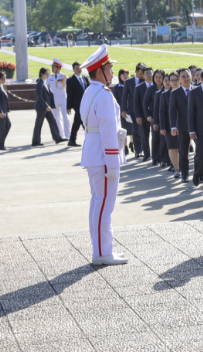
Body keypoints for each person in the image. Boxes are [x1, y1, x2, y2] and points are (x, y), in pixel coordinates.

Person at [78, 45, 128, 266]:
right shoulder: (104, 94)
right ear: (100, 70)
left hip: (93, 154)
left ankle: (101, 249)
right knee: (104, 207)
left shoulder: (90, 91)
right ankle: (102, 252)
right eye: (109, 67)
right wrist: (112, 164)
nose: (112, 71)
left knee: (98, 204)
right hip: (102, 157)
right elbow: (108, 132)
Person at [169, 69, 194, 183]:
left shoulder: (197, 90)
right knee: (183, 152)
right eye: (183, 76)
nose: (186, 78)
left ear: (191, 77)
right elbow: (172, 111)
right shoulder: (175, 93)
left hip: (197, 126)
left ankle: (201, 173)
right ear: (179, 79)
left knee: (201, 151)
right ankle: (185, 174)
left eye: (187, 76)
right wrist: (173, 126)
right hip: (182, 126)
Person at [32, 68, 65, 146]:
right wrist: (46, 105)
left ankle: (57, 138)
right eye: (46, 74)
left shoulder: (45, 82)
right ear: (41, 74)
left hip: (46, 107)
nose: (48, 75)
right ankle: (36, 141)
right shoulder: (40, 83)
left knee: (52, 122)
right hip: (41, 107)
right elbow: (39, 96)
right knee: (39, 124)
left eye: (48, 74)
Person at [123, 63, 144, 155]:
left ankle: (145, 149)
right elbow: (124, 97)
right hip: (133, 109)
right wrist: (123, 109)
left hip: (144, 109)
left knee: (144, 130)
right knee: (135, 130)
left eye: (142, 74)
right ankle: (138, 150)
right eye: (139, 73)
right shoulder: (129, 82)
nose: (141, 76)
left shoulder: (145, 81)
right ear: (135, 72)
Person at [133, 67, 153, 162]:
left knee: (156, 136)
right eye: (147, 73)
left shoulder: (156, 86)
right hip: (143, 115)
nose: (149, 75)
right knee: (144, 135)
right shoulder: (139, 88)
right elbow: (136, 103)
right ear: (143, 75)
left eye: (150, 73)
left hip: (155, 115)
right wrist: (138, 116)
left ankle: (156, 154)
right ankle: (146, 154)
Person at [67, 62, 89, 147]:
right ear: (73, 69)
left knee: (77, 122)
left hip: (86, 103)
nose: (79, 69)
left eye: (80, 68)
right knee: (84, 121)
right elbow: (69, 94)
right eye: (77, 68)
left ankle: (72, 140)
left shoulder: (85, 78)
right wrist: (68, 107)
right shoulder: (71, 80)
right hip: (77, 105)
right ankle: (89, 137)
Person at [162, 71, 181, 177]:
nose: (174, 82)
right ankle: (176, 168)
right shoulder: (165, 95)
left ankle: (182, 165)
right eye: (172, 80)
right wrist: (163, 127)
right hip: (169, 126)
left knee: (181, 147)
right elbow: (162, 112)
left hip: (182, 124)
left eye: (176, 79)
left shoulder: (184, 92)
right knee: (172, 147)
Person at [145, 69, 164, 166]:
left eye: (160, 77)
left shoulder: (166, 88)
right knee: (155, 138)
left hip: (164, 118)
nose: (158, 79)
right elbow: (145, 104)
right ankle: (155, 158)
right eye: (156, 77)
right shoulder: (151, 89)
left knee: (163, 139)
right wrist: (148, 116)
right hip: (154, 117)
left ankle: (163, 158)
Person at [49, 59, 70, 140]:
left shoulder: (64, 77)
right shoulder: (50, 77)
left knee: (65, 116)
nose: (52, 68)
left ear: (58, 68)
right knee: (56, 118)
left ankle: (68, 134)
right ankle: (60, 134)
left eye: (54, 67)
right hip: (54, 100)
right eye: (52, 67)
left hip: (63, 99)